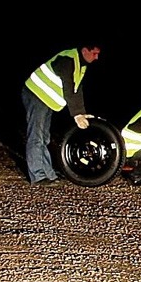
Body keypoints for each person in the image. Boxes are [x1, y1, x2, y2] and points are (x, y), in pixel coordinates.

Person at [22, 44, 101, 186]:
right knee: (36, 137)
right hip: (36, 95)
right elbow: (68, 88)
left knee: (44, 138)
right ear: (84, 50)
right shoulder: (67, 59)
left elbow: (77, 91)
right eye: (94, 53)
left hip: (45, 99)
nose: (96, 57)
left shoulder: (80, 65)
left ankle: (48, 173)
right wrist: (76, 115)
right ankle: (37, 176)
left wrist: (82, 113)